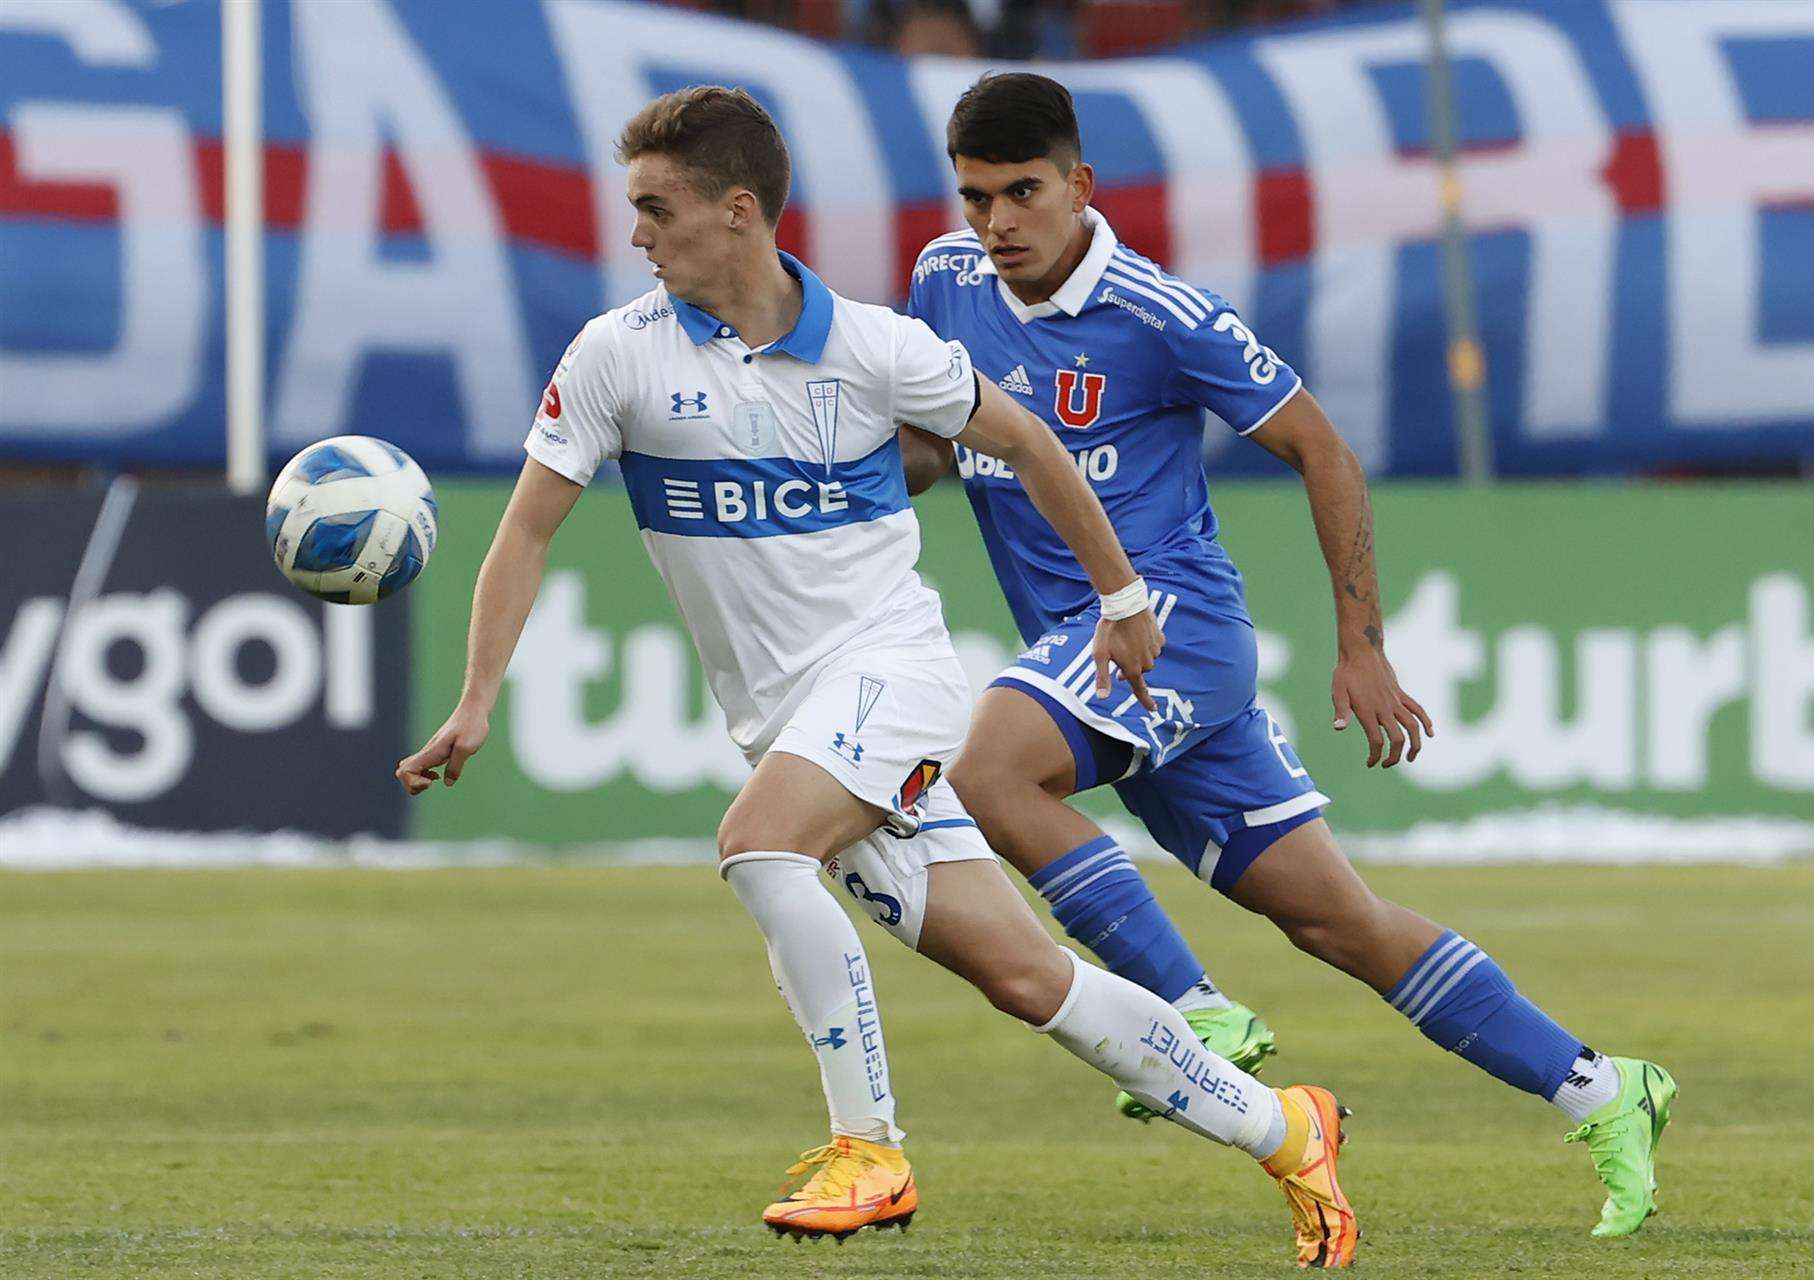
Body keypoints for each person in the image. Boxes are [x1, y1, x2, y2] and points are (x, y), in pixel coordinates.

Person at [396, 85, 1356, 1266]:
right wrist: (478, 696)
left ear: (738, 211)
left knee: (759, 846)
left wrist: (1119, 599)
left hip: (891, 676)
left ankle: (871, 1149)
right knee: (1027, 975)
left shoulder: (874, 347)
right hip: (786, 716)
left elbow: (1034, 442)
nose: (635, 234)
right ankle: (1284, 1127)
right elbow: (526, 530)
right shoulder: (615, 356)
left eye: (656, 208)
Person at [899, 71, 1675, 1240]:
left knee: (992, 772)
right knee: (1340, 921)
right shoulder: (943, 281)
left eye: (1023, 192)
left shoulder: (1166, 316)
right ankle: (1607, 1086)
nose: (998, 222)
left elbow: (1323, 447)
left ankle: (1191, 1009)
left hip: (1176, 632)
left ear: (1080, 186)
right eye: (975, 197)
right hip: (1092, 653)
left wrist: (1361, 643)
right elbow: (931, 445)